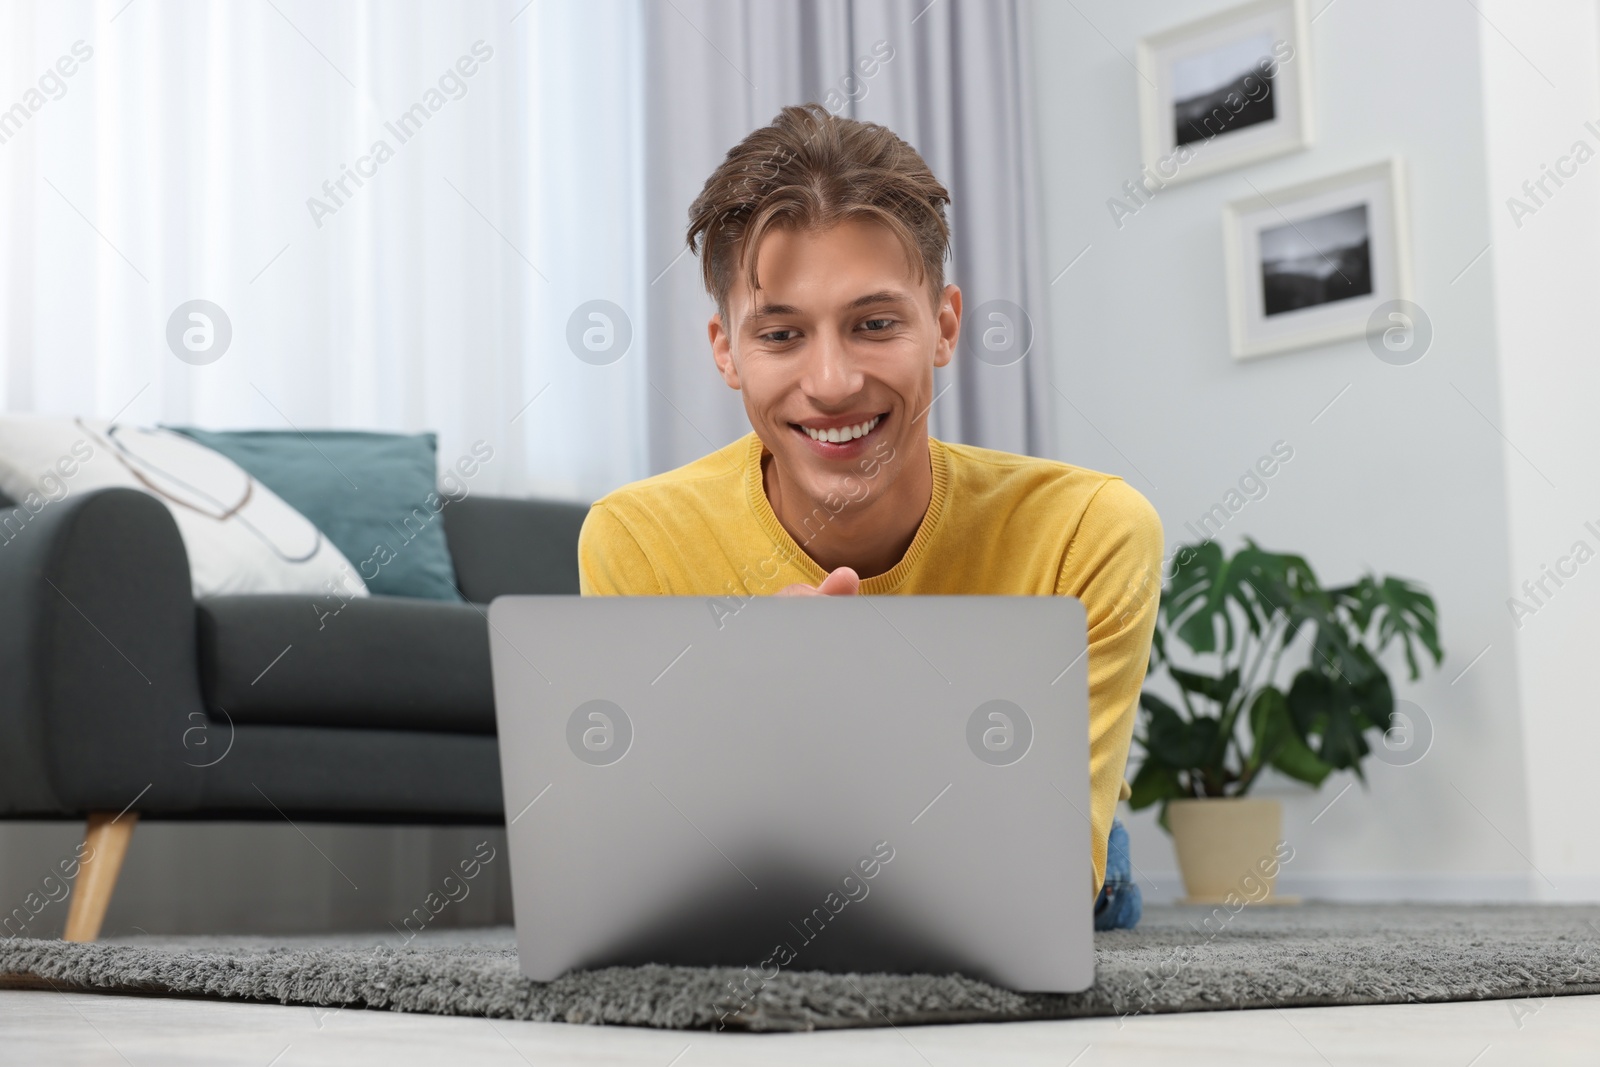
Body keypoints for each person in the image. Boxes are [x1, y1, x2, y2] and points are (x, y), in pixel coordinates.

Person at [577, 102, 1161, 928]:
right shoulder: (635, 538)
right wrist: (739, 710)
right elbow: (638, 869)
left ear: (944, 326)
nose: (832, 381)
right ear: (726, 352)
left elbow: (1041, 887)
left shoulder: (1087, 532)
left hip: (1010, 854)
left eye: (875, 324)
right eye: (779, 334)